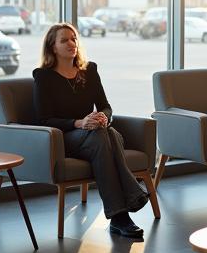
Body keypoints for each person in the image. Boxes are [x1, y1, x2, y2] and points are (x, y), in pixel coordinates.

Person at [32, 23, 150, 239]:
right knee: (107, 136)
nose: (71, 43)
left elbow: (105, 105)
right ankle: (126, 205)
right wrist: (79, 123)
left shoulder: (90, 70)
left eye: (73, 38)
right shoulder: (44, 76)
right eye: (64, 40)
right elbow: (44, 119)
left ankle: (119, 216)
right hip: (66, 137)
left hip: (96, 135)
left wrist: (104, 116)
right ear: (52, 47)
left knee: (107, 134)